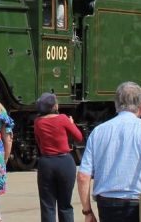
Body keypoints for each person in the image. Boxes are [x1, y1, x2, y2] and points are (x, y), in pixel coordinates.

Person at [76, 82, 141, 222]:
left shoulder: (98, 131)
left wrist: (87, 212)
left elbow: (83, 176)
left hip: (106, 205)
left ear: (116, 105)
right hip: (136, 207)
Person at [34, 91, 84, 222]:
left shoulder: (38, 122)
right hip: (65, 163)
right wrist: (71, 123)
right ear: (54, 106)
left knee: (48, 206)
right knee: (65, 205)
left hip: (46, 164)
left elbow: (39, 143)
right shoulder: (62, 119)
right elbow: (79, 137)